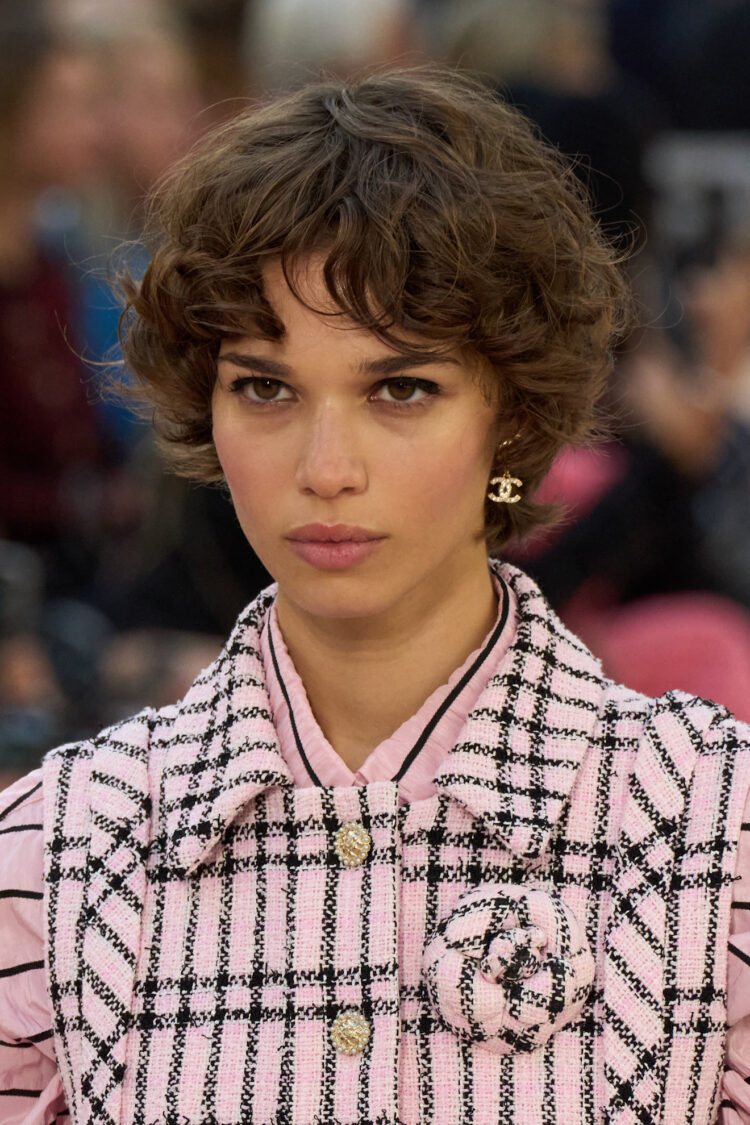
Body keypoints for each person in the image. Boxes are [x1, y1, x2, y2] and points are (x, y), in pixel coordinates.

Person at [1, 66, 749, 1125]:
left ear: (513, 416)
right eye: (265, 387)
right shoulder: (56, 852)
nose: (326, 467)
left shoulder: (716, 829)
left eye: (400, 388)